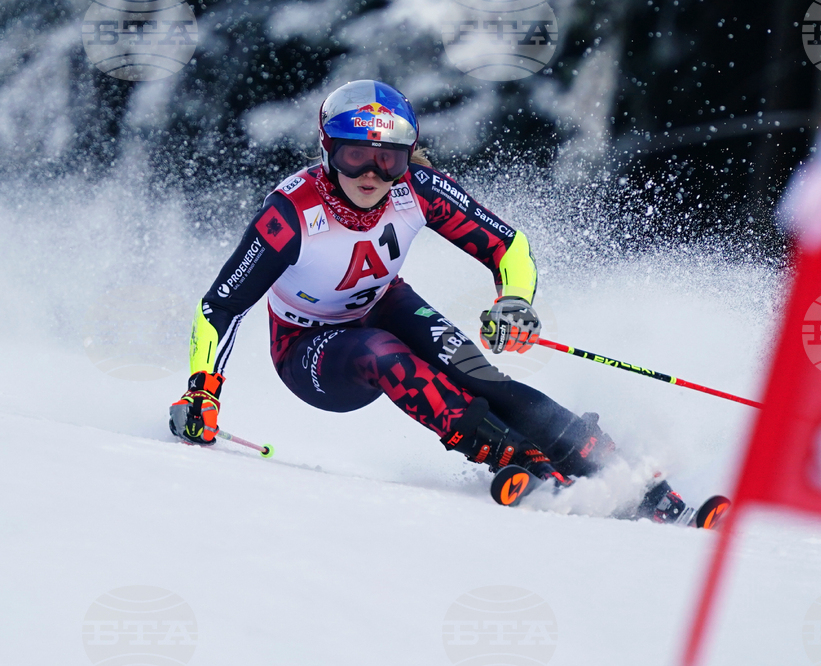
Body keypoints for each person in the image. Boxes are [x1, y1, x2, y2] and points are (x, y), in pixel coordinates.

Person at [168, 80, 683, 521]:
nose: (371, 174)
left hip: (385, 304)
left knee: (481, 377)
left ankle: (617, 468)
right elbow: (221, 306)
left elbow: (509, 246)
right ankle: (513, 456)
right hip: (307, 346)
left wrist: (515, 301)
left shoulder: (417, 188)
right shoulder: (289, 215)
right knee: (384, 355)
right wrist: (202, 393)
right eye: (354, 156)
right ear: (327, 151)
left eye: (387, 159)